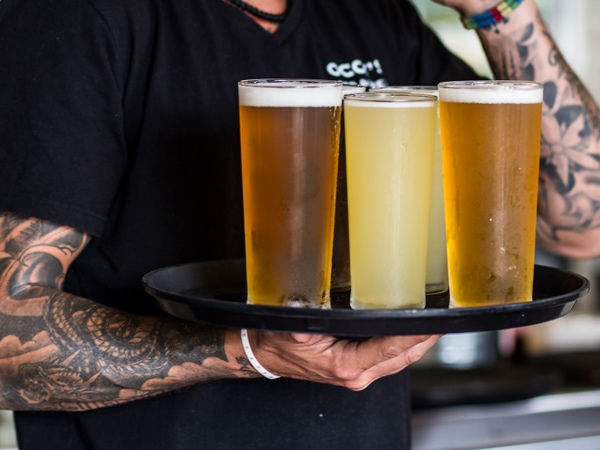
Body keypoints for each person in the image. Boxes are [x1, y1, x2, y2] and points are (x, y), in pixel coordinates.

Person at [0, 0, 598, 448]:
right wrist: (250, 351)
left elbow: (581, 225)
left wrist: (498, 10)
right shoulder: (79, 16)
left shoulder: (370, 14)